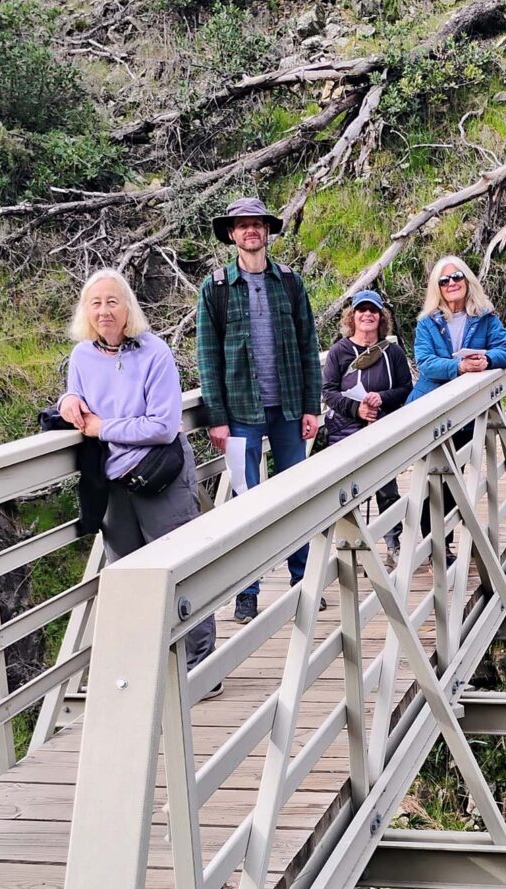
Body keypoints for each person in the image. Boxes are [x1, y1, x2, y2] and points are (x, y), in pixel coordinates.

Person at [58, 269, 219, 694]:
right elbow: (77, 400)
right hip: (114, 483)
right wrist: (68, 400)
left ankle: (201, 669)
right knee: (127, 578)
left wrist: (102, 428)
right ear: (85, 312)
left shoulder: (155, 353)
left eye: (113, 301)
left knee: (180, 569)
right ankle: (141, 672)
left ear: (128, 306)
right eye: (96, 303)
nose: (104, 311)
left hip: (161, 472)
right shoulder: (82, 357)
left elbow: (164, 426)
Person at [196, 197, 322, 623]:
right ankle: (246, 593)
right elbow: (207, 356)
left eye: (258, 224)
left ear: (268, 232)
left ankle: (303, 580)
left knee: (295, 495)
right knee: (244, 501)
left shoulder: (289, 282)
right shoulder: (214, 288)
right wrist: (216, 416)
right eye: (242, 225)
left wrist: (312, 406)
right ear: (231, 234)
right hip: (240, 412)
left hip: (288, 408)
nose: (251, 230)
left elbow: (309, 346)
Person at [406, 256, 506, 558]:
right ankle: (434, 548)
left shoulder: (485, 317)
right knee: (433, 480)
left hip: (467, 413)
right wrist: (460, 367)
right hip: (431, 409)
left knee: (455, 477)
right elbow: (426, 364)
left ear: (467, 281)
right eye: (444, 281)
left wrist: (488, 360)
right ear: (436, 288)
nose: (451, 284)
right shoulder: (427, 323)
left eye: (457, 278)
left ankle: (444, 545)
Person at [321, 290, 413, 569]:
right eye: (361, 310)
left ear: (381, 317)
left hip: (382, 427)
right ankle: (350, 551)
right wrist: (356, 408)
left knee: (387, 488)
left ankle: (393, 544)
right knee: (348, 490)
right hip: (344, 429)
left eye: (373, 310)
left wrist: (381, 399)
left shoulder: (392, 353)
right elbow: (328, 392)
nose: (367, 315)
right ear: (352, 316)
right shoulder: (339, 351)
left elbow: (405, 388)